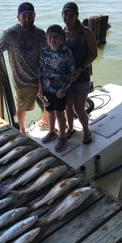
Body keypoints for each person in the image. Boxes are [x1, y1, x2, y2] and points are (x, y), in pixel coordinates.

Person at [0, 2, 45, 133]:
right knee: (21, 108)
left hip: (41, 78)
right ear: (18, 17)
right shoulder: (10, 34)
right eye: (24, 16)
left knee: (49, 104)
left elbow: (47, 54)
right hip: (22, 80)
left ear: (34, 16)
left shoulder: (40, 33)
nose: (27, 19)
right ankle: (22, 129)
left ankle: (46, 122)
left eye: (30, 16)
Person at [62, 2, 97, 144]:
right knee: (67, 106)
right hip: (67, 78)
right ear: (62, 15)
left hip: (82, 76)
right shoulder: (62, 32)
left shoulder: (85, 32)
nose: (68, 18)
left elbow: (94, 54)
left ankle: (87, 132)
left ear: (77, 16)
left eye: (71, 15)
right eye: (65, 14)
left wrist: (81, 68)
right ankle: (70, 128)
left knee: (79, 108)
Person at [39, 24, 75, 152]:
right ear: (46, 38)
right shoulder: (44, 51)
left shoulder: (66, 53)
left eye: (55, 37)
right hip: (47, 88)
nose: (52, 40)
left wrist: (64, 89)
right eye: (50, 37)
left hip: (60, 90)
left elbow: (71, 73)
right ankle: (51, 131)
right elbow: (41, 69)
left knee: (60, 113)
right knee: (49, 111)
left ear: (61, 39)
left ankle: (62, 137)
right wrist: (40, 86)